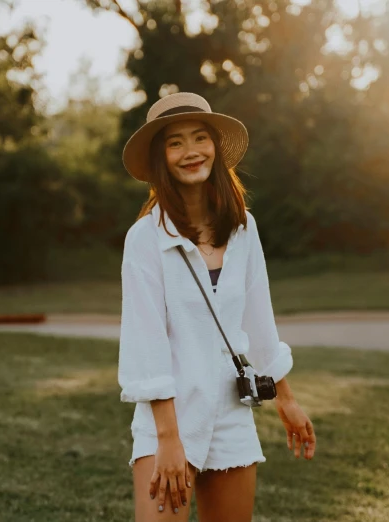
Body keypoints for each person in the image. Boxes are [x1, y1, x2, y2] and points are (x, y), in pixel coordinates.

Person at [118, 92, 316, 522]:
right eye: (175, 143)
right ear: (160, 158)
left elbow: (258, 321)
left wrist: (286, 398)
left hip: (231, 415)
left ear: (215, 147)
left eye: (200, 138)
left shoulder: (244, 227)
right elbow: (145, 343)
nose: (191, 152)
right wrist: (168, 439)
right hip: (168, 421)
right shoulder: (144, 239)